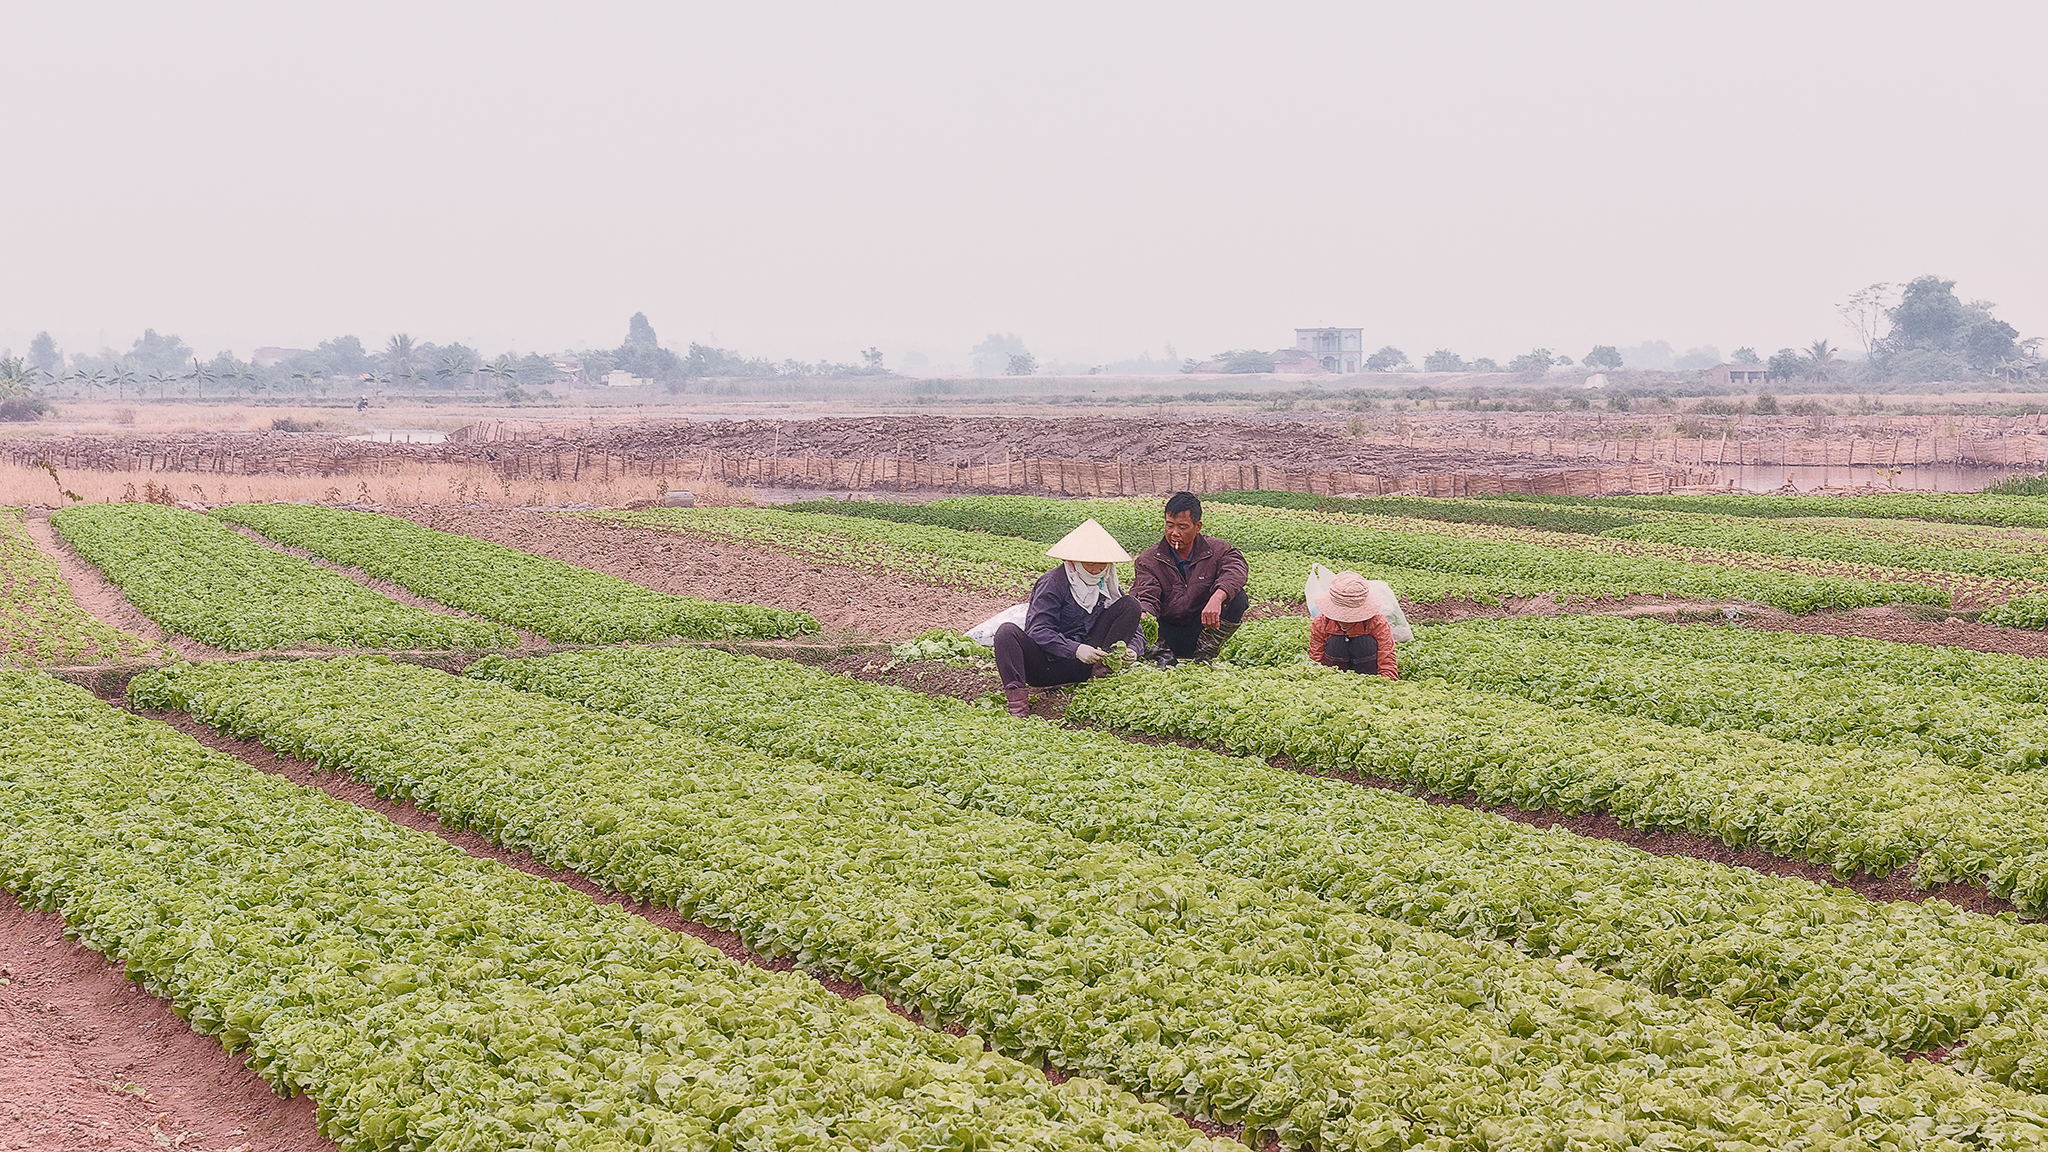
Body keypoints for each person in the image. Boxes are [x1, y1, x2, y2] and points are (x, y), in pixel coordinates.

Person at [993, 518, 1145, 718]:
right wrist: (1075, 649)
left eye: (1102, 565)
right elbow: (1038, 630)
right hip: (1046, 666)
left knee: (1130, 605)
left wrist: (1133, 649)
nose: (1096, 570)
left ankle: (1101, 676)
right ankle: (1018, 708)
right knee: (1006, 632)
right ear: (1074, 561)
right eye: (1090, 564)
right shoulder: (1053, 583)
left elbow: (1135, 629)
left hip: (1087, 667)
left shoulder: (1107, 585)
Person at [1133, 491, 1248, 663]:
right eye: (1169, 525)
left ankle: (1204, 653)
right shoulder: (1149, 560)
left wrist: (1217, 597)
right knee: (1133, 608)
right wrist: (1143, 613)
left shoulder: (1218, 550)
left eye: (1182, 527)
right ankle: (1161, 654)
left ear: (1198, 527)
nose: (1174, 533)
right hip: (1166, 633)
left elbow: (1236, 569)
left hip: (1203, 629)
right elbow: (1147, 594)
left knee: (1238, 598)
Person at [1309, 571, 1398, 680]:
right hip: (1334, 675)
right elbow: (1316, 659)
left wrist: (1385, 684)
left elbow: (1387, 660)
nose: (1345, 621)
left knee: (1366, 642)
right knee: (1335, 642)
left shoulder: (1377, 622)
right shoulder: (1321, 622)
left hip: (1368, 673)